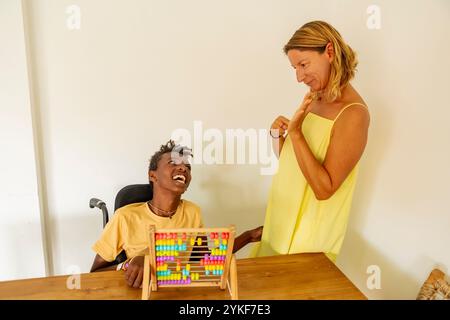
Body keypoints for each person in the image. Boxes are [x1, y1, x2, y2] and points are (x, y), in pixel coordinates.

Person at [251, 21, 370, 263]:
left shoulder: (353, 113)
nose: (299, 77)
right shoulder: (316, 97)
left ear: (329, 52)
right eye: (294, 68)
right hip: (280, 224)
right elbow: (297, 165)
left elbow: (324, 188)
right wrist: (279, 138)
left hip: (307, 241)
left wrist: (296, 133)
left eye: (303, 64)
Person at [90, 140, 262, 288]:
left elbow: (206, 260)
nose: (183, 168)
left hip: (179, 291)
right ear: (153, 176)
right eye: (173, 163)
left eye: (187, 167)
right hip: (141, 291)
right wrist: (128, 265)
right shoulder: (125, 217)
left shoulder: (192, 212)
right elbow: (95, 273)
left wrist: (248, 236)